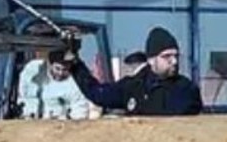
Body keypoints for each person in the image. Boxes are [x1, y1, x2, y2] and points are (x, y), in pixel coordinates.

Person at [69, 27, 203, 116]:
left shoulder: (186, 89)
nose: (174, 61)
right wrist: (75, 64)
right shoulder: (134, 86)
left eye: (176, 56)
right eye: (167, 56)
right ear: (151, 59)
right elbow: (98, 94)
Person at [17, 49, 93, 120]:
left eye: (65, 70)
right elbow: (23, 95)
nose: (60, 73)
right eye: (57, 68)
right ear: (49, 64)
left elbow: (80, 111)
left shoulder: (76, 83)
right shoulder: (32, 70)